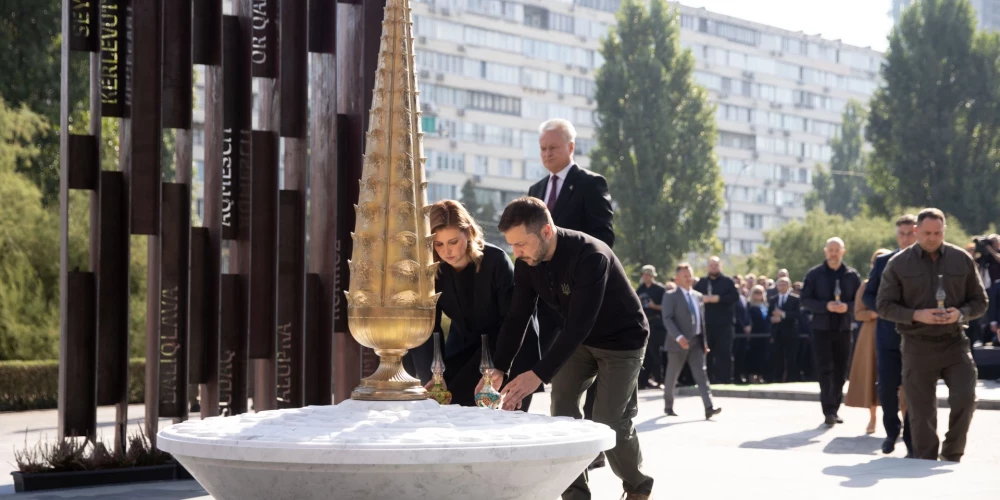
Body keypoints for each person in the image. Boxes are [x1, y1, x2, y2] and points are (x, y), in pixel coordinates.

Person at [483, 197, 653, 500]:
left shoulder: (591, 256)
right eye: (512, 245)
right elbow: (517, 316)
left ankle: (638, 486)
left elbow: (579, 324)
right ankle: (575, 495)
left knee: (609, 420)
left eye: (521, 244)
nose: (516, 253)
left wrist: (538, 373)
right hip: (580, 342)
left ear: (546, 231)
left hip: (622, 341)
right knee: (562, 413)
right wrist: (500, 367)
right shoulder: (527, 262)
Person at [527, 118, 615, 469]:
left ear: (570, 148)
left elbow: (603, 238)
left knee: (591, 374)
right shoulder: (535, 189)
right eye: (542, 148)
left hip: (584, 294)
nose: (547, 154)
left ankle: (592, 446)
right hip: (550, 302)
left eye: (553, 147)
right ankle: (570, 451)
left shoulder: (590, 184)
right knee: (561, 382)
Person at [877, 208, 988, 462]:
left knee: (966, 397)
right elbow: (884, 305)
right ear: (916, 231)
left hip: (954, 342)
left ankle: (952, 454)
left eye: (938, 233)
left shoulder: (961, 259)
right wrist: (916, 315)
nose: (932, 238)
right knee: (921, 411)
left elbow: (980, 301)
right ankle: (925, 460)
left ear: (944, 231)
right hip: (917, 344)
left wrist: (960, 313)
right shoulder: (899, 263)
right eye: (927, 233)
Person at [412, 200, 542, 410]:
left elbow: (514, 320)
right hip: (464, 349)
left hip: (510, 349)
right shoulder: (434, 270)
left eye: (453, 241)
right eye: (439, 244)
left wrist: (500, 367)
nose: (447, 251)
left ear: (469, 232)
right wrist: (433, 375)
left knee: (507, 424)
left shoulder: (496, 260)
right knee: (445, 407)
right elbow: (429, 327)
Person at [863, 214, 917, 455]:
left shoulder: (927, 260)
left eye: (910, 233)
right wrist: (884, 310)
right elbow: (868, 294)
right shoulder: (883, 261)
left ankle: (911, 437)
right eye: (901, 234)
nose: (905, 238)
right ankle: (891, 432)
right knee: (886, 387)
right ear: (897, 235)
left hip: (917, 337)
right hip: (887, 336)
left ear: (917, 233)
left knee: (915, 388)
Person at [801, 237, 862, 426]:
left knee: (840, 370)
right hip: (821, 329)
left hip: (843, 328)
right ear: (825, 251)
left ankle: (835, 408)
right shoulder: (814, 274)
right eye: (831, 250)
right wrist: (825, 306)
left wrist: (847, 307)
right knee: (824, 369)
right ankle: (828, 410)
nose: (834, 253)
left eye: (837, 250)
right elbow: (805, 300)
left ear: (843, 251)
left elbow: (860, 301)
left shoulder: (852, 275)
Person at [661, 263, 722, 419]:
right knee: (672, 376)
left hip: (696, 342)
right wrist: (679, 337)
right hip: (677, 343)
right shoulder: (670, 295)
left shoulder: (698, 296)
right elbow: (667, 319)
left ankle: (709, 407)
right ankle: (668, 406)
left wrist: (704, 342)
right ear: (677, 278)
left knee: (701, 375)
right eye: (685, 276)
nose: (689, 279)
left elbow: (701, 321)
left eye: (690, 275)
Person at [846, 248, 892, 434]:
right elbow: (858, 312)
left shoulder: (898, 282)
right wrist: (873, 313)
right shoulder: (866, 285)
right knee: (871, 376)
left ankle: (904, 418)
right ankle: (873, 418)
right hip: (871, 335)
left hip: (896, 333)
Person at [693, 257, 740, 384]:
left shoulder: (728, 281)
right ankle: (706, 381)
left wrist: (718, 299)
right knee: (705, 354)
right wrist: (704, 299)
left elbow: (735, 297)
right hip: (706, 324)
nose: (713, 267)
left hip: (724, 325)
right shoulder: (702, 282)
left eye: (716, 265)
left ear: (720, 266)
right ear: (707, 267)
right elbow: (693, 297)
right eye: (711, 265)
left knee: (724, 352)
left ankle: (725, 380)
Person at [636, 265, 666, 389]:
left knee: (655, 353)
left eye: (648, 274)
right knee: (645, 354)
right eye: (644, 274)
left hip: (656, 325)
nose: (646, 277)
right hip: (643, 324)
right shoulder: (640, 289)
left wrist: (655, 307)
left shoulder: (660, 289)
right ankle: (643, 381)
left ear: (653, 276)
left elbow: (667, 307)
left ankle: (659, 380)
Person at [768, 277, 802, 383]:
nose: (782, 286)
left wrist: (783, 315)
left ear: (789, 286)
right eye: (780, 284)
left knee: (791, 358)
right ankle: (777, 379)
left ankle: (791, 379)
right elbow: (769, 314)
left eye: (785, 284)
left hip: (791, 333)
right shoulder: (773, 299)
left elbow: (798, 314)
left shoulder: (796, 299)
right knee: (777, 357)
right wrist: (772, 319)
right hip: (777, 333)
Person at [742, 285, 771, 383]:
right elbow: (747, 319)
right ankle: (751, 376)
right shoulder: (749, 305)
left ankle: (761, 375)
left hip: (765, 334)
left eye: (760, 293)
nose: (758, 295)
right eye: (756, 292)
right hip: (754, 334)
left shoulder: (766, 305)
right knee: (753, 355)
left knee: (764, 355)